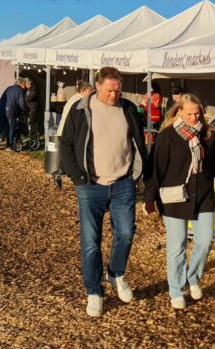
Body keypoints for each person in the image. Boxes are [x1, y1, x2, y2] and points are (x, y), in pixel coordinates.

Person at [59, 67, 147, 317]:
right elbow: (65, 144)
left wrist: (136, 175)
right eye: (109, 90)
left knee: (127, 233)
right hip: (90, 185)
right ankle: (94, 292)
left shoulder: (128, 108)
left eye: (117, 89)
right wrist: (77, 176)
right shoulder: (81, 109)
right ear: (97, 86)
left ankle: (116, 273)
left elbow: (138, 142)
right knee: (90, 243)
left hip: (122, 183)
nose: (114, 94)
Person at [144, 93, 215, 310]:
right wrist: (149, 198)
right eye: (189, 114)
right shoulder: (167, 136)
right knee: (177, 247)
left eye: (197, 114)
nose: (194, 118)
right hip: (174, 198)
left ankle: (192, 277)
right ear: (179, 112)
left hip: (203, 196)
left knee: (205, 240)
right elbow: (155, 169)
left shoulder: (210, 135)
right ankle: (176, 290)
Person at [0, 78, 28, 151]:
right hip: (11, 111)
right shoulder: (20, 90)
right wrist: (25, 110)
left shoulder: (8, 88)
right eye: (24, 84)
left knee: (0, 126)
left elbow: (1, 99)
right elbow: (22, 103)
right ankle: (9, 145)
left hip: (2, 110)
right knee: (11, 127)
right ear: (21, 84)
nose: (25, 86)